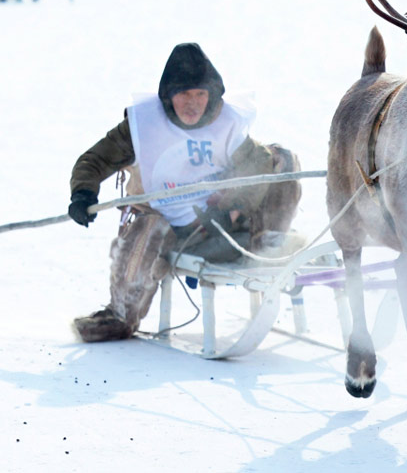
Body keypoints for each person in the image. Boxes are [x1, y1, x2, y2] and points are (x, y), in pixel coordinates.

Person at [68, 43, 302, 342]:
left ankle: (269, 244)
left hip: (221, 221)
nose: (192, 104)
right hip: (167, 224)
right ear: (168, 97)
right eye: (183, 95)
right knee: (152, 227)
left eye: (200, 95)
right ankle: (121, 313)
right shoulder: (143, 125)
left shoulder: (226, 120)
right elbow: (95, 159)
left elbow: (258, 163)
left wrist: (234, 205)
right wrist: (83, 193)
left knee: (282, 158)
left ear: (212, 96)